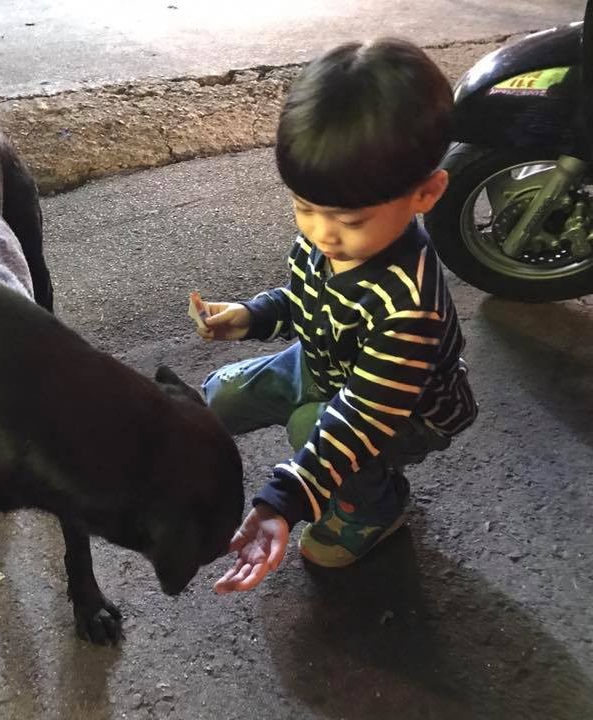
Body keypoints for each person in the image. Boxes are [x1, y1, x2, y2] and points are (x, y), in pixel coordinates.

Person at [198, 38, 478, 593]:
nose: (322, 233)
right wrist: (252, 316)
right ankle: (331, 464)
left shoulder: (409, 305)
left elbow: (361, 417)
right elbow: (305, 297)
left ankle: (376, 509)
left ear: (426, 193)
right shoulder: (329, 241)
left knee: (314, 427)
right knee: (218, 395)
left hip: (405, 412)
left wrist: (286, 498)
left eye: (348, 220)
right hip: (325, 361)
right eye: (304, 208)